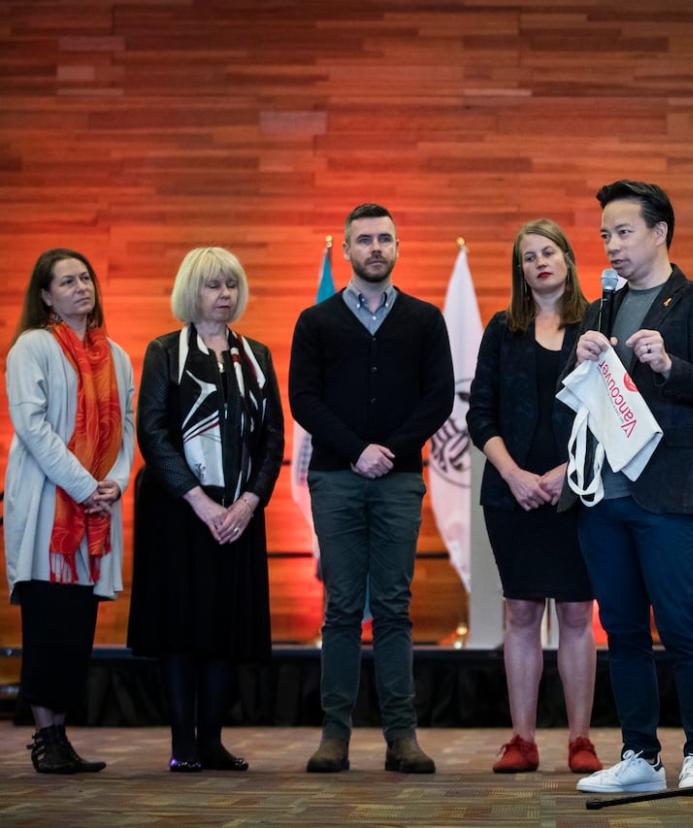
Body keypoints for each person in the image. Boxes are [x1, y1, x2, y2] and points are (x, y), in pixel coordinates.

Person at [569, 180, 693, 795]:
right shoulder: (600, 304)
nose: (611, 245)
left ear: (660, 232)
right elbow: (576, 396)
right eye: (605, 234)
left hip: (665, 493)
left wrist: (668, 365)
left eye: (623, 231)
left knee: (681, 624)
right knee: (624, 628)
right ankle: (639, 755)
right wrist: (576, 355)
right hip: (602, 495)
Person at [289, 203, 454, 774]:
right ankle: (334, 735)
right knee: (339, 608)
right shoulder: (317, 322)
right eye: (364, 240)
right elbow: (303, 399)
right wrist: (357, 448)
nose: (375, 248)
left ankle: (400, 738)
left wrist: (390, 449)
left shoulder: (425, 320)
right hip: (335, 478)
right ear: (346, 248)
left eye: (385, 238)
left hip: (400, 481)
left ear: (398, 247)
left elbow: (439, 397)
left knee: (392, 607)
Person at [127, 247, 284, 772]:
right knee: (181, 628)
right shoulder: (164, 351)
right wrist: (199, 500)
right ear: (190, 292)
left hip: (237, 516)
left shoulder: (256, 356)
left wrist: (247, 502)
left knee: (225, 627)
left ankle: (212, 740)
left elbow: (272, 438)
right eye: (214, 286)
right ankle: (183, 745)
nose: (225, 296)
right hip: (178, 514)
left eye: (232, 286)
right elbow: (152, 432)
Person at [466, 218, 602, 774]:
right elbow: (480, 414)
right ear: (519, 270)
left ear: (568, 259)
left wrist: (568, 471)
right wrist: (516, 474)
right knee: (519, 611)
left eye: (548, 252)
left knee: (576, 612)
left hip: (578, 491)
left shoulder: (597, 325)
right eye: (528, 257)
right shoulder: (503, 330)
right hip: (512, 494)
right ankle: (521, 739)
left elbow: (613, 413)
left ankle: (580, 740)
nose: (539, 262)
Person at [4, 248, 135, 773]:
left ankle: (59, 737)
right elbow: (33, 430)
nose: (82, 287)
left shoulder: (117, 355)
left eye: (86, 278)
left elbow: (124, 432)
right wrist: (84, 485)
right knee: (48, 624)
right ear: (45, 295)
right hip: (47, 508)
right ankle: (45, 737)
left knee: (77, 628)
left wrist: (115, 483)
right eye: (67, 281)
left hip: (95, 512)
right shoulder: (31, 348)